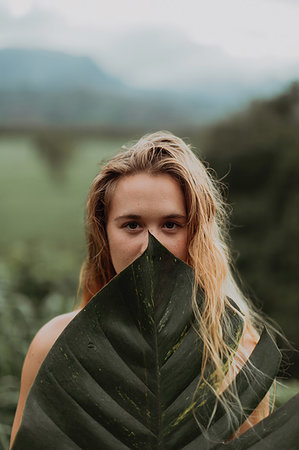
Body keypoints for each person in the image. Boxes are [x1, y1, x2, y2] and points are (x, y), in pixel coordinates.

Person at [10, 131, 272, 448]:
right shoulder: (54, 343)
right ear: (103, 234)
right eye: (132, 225)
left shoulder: (238, 352)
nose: (151, 245)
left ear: (197, 235)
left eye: (171, 225)